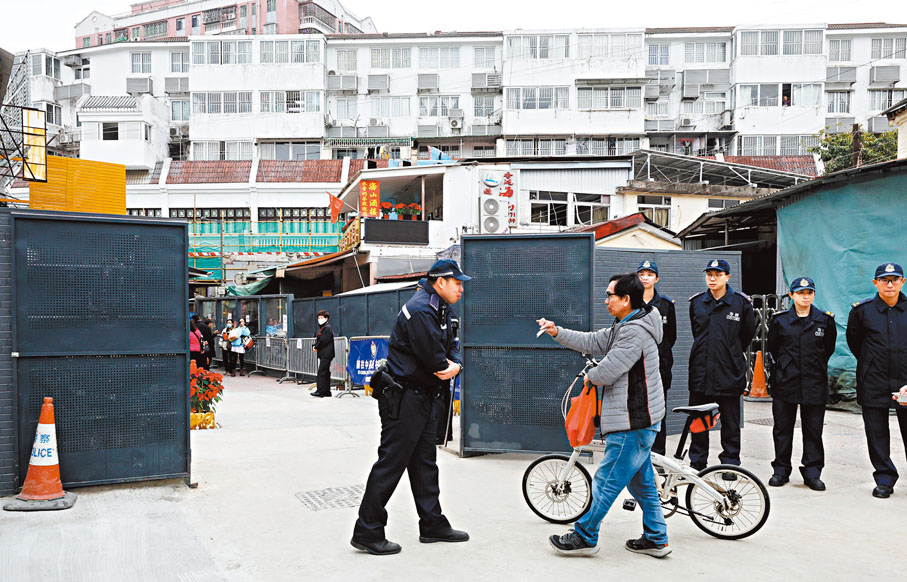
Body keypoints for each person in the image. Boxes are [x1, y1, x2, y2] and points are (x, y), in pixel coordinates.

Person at [539, 273, 669, 558]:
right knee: (643, 485)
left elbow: (609, 370)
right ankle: (657, 538)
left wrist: (591, 377)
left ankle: (585, 535)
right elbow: (593, 341)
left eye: (610, 295)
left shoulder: (635, 331)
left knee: (607, 480)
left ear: (626, 299)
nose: (606, 300)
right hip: (638, 418)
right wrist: (556, 331)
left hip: (633, 420)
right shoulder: (626, 324)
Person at [352, 259, 469, 556]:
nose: (462, 288)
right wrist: (451, 366)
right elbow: (434, 359)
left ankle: (432, 524)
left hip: (424, 397)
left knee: (425, 464)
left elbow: (453, 344)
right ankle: (367, 530)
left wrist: (455, 364)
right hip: (405, 398)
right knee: (391, 464)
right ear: (440, 282)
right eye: (457, 283)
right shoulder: (420, 310)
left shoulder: (441, 309)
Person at [766, 277, 836, 491]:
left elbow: (828, 349)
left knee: (813, 430)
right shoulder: (780, 321)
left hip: (814, 382)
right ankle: (781, 470)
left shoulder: (824, 321)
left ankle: (812, 472)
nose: (805, 296)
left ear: (813, 295)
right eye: (801, 292)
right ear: (792, 296)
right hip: (786, 382)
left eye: (809, 292)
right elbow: (774, 348)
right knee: (782, 429)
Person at [688, 259, 756, 471]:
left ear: (727, 276)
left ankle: (730, 463)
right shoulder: (697, 303)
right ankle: (697, 463)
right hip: (701, 372)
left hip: (730, 372)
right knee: (698, 421)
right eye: (709, 274)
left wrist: (729, 355)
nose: (713, 278)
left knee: (731, 422)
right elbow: (696, 334)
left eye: (718, 274)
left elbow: (746, 337)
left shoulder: (741, 304)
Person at [846, 262, 907, 499]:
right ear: (875, 283)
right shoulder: (862, 311)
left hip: (905, 381)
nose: (889, 284)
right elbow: (856, 343)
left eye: (894, 279)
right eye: (884, 280)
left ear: (902, 281)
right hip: (874, 380)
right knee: (876, 432)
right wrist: (872, 364)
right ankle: (884, 478)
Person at [637, 260, 676, 456]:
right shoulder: (630, 302)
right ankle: (638, 454)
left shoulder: (666, 305)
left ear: (657, 278)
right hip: (635, 367)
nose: (645, 278)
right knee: (637, 412)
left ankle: (658, 455)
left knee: (659, 412)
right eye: (642, 274)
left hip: (660, 368)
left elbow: (671, 337)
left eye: (650, 274)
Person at [311, 310, 335, 398]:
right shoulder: (324, 327)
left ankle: (320, 391)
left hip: (326, 354)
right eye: (318, 318)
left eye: (321, 318)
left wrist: (316, 347)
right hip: (325, 353)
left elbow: (323, 340)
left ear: (326, 318)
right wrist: (315, 345)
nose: (319, 319)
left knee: (321, 372)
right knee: (325, 372)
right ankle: (326, 391)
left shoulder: (327, 328)